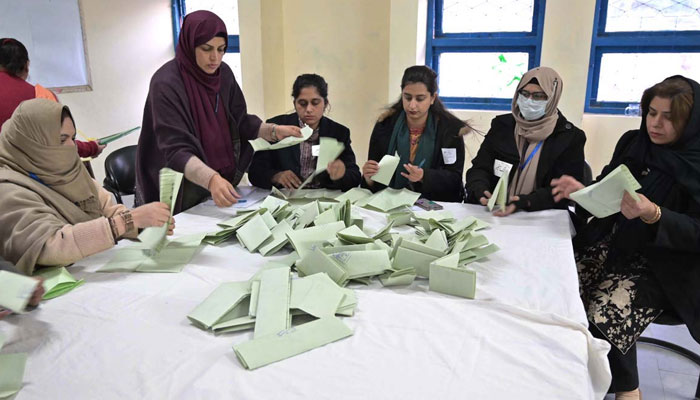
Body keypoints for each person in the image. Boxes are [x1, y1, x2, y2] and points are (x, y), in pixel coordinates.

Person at [551, 76, 700, 400]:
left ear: (689, 121)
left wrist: (655, 214)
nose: (655, 124)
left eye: (668, 117)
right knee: (556, 285)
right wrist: (582, 191)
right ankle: (571, 373)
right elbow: (609, 185)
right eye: (651, 113)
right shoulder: (634, 142)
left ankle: (628, 391)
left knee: (603, 313)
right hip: (615, 243)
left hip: (665, 264)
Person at [135, 11, 301, 213]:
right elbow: (176, 150)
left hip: (216, 181)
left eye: (221, 49)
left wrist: (273, 131)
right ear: (190, 44)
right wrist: (212, 179)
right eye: (206, 49)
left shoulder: (223, 75)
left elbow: (239, 120)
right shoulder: (166, 83)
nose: (215, 58)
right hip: (178, 184)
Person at [0, 99, 175, 276]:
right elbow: (49, 246)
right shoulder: (8, 187)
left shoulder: (71, 171)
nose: (72, 147)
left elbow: (108, 210)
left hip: (93, 271)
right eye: (62, 139)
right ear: (33, 142)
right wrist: (126, 222)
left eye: (72, 138)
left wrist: (145, 225)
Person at [464, 66, 586, 216]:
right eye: (525, 94)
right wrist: (479, 188)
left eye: (538, 96)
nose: (529, 101)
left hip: (540, 216)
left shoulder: (570, 137)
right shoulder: (502, 126)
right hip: (495, 212)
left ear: (552, 98)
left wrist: (526, 201)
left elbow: (562, 191)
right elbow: (480, 167)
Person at [361, 65, 470, 202]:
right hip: (388, 203)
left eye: (420, 99)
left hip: (434, 206)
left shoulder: (451, 130)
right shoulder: (385, 125)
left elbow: (454, 180)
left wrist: (424, 176)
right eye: (407, 97)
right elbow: (374, 181)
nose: (412, 105)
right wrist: (368, 178)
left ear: (432, 98)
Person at [248, 73, 361, 191]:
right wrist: (276, 176)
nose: (309, 109)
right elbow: (255, 172)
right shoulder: (277, 127)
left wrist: (341, 175)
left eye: (315, 103)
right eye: (302, 104)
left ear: (325, 103)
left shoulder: (338, 133)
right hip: (286, 198)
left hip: (323, 198)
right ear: (295, 104)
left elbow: (355, 177)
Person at [0, 38, 104, 158]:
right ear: (26, 66)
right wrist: (92, 148)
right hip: (24, 173)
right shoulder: (40, 95)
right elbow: (58, 143)